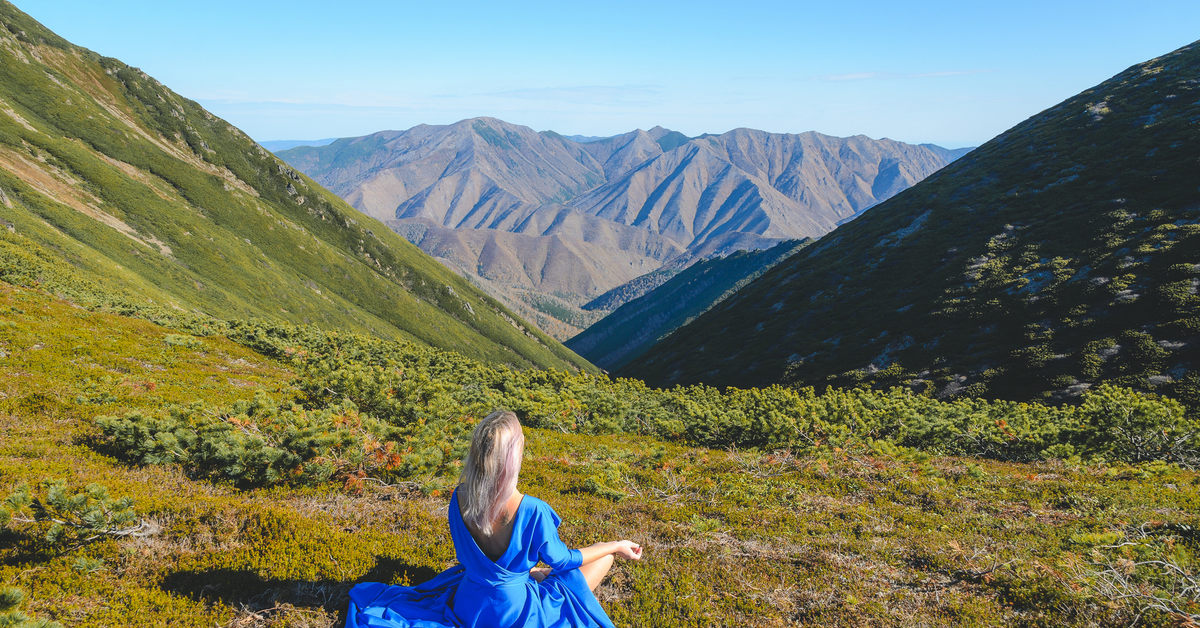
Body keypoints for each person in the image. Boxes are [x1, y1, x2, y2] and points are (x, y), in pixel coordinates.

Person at [345, 410, 643, 628]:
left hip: (468, 603)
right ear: (514, 455)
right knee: (602, 560)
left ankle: (529, 575)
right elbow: (563, 560)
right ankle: (538, 577)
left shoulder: (460, 497)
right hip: (515, 613)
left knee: (533, 572)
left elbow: (465, 555)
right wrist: (614, 544)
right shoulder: (532, 510)